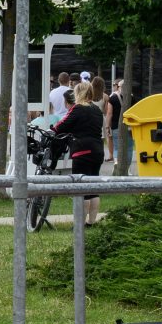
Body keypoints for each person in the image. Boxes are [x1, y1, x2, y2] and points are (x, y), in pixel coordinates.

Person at [54, 79, 108, 224]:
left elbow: (62, 125)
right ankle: (91, 222)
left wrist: (53, 129)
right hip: (97, 151)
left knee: (81, 188)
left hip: (82, 151)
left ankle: (79, 224)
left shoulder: (78, 108)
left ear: (79, 93)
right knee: (93, 188)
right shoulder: (96, 109)